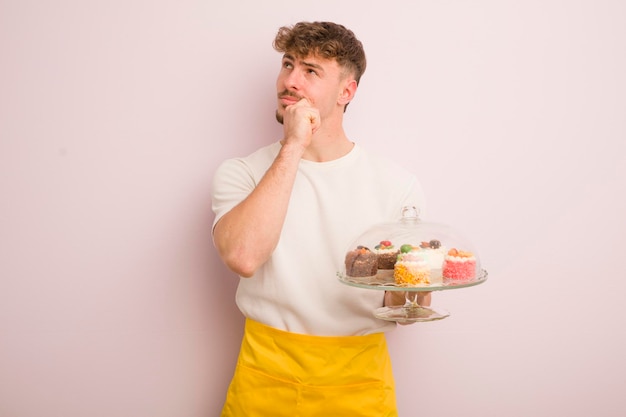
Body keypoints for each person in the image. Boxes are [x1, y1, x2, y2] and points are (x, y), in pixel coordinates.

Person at [211, 21, 430, 417]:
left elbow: (403, 305)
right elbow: (243, 257)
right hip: (264, 379)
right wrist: (294, 144)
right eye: (288, 65)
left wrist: (412, 294)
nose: (290, 81)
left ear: (347, 91)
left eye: (311, 71)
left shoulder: (397, 186)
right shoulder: (241, 172)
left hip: (359, 383)